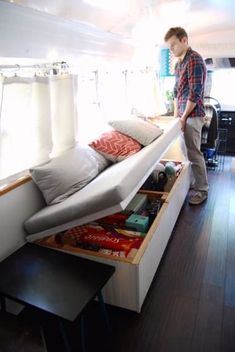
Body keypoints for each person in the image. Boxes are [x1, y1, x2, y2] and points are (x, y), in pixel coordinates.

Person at [164, 27, 209, 205]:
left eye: (174, 44)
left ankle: (202, 190)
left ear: (184, 40)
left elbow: (195, 93)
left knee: (194, 154)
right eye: (169, 46)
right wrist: (176, 117)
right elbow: (176, 92)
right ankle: (194, 182)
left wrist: (183, 118)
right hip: (183, 116)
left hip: (193, 115)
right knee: (185, 153)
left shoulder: (195, 60)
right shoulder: (179, 63)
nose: (171, 49)